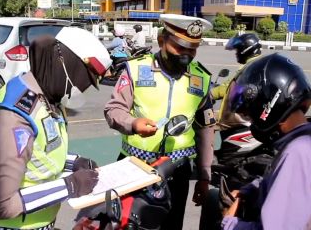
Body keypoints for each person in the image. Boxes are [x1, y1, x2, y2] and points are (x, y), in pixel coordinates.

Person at [0, 27, 112, 230]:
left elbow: (37, 152)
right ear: (65, 64)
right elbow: (2, 205)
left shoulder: (47, 97)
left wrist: (74, 162)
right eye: (85, 80)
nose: (83, 89)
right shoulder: (12, 117)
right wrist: (70, 186)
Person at [104, 13, 216, 230]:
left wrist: (204, 174)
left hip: (177, 172)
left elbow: (206, 127)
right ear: (162, 41)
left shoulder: (201, 79)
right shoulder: (136, 69)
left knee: (171, 226)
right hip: (135, 167)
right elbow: (114, 109)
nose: (186, 55)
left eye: (192, 49)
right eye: (180, 47)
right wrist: (133, 124)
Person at [206, 53, 311, 230]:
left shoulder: (298, 151)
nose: (252, 122)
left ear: (268, 105)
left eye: (251, 115)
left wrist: (228, 222)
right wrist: (251, 190)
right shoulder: (299, 139)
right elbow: (280, 181)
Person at [212, 33, 262, 130]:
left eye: (238, 50)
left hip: (241, 118)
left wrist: (210, 93)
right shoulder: (258, 63)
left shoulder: (249, 68)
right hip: (252, 115)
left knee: (207, 121)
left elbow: (227, 87)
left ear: (245, 50)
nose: (236, 53)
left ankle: (207, 145)